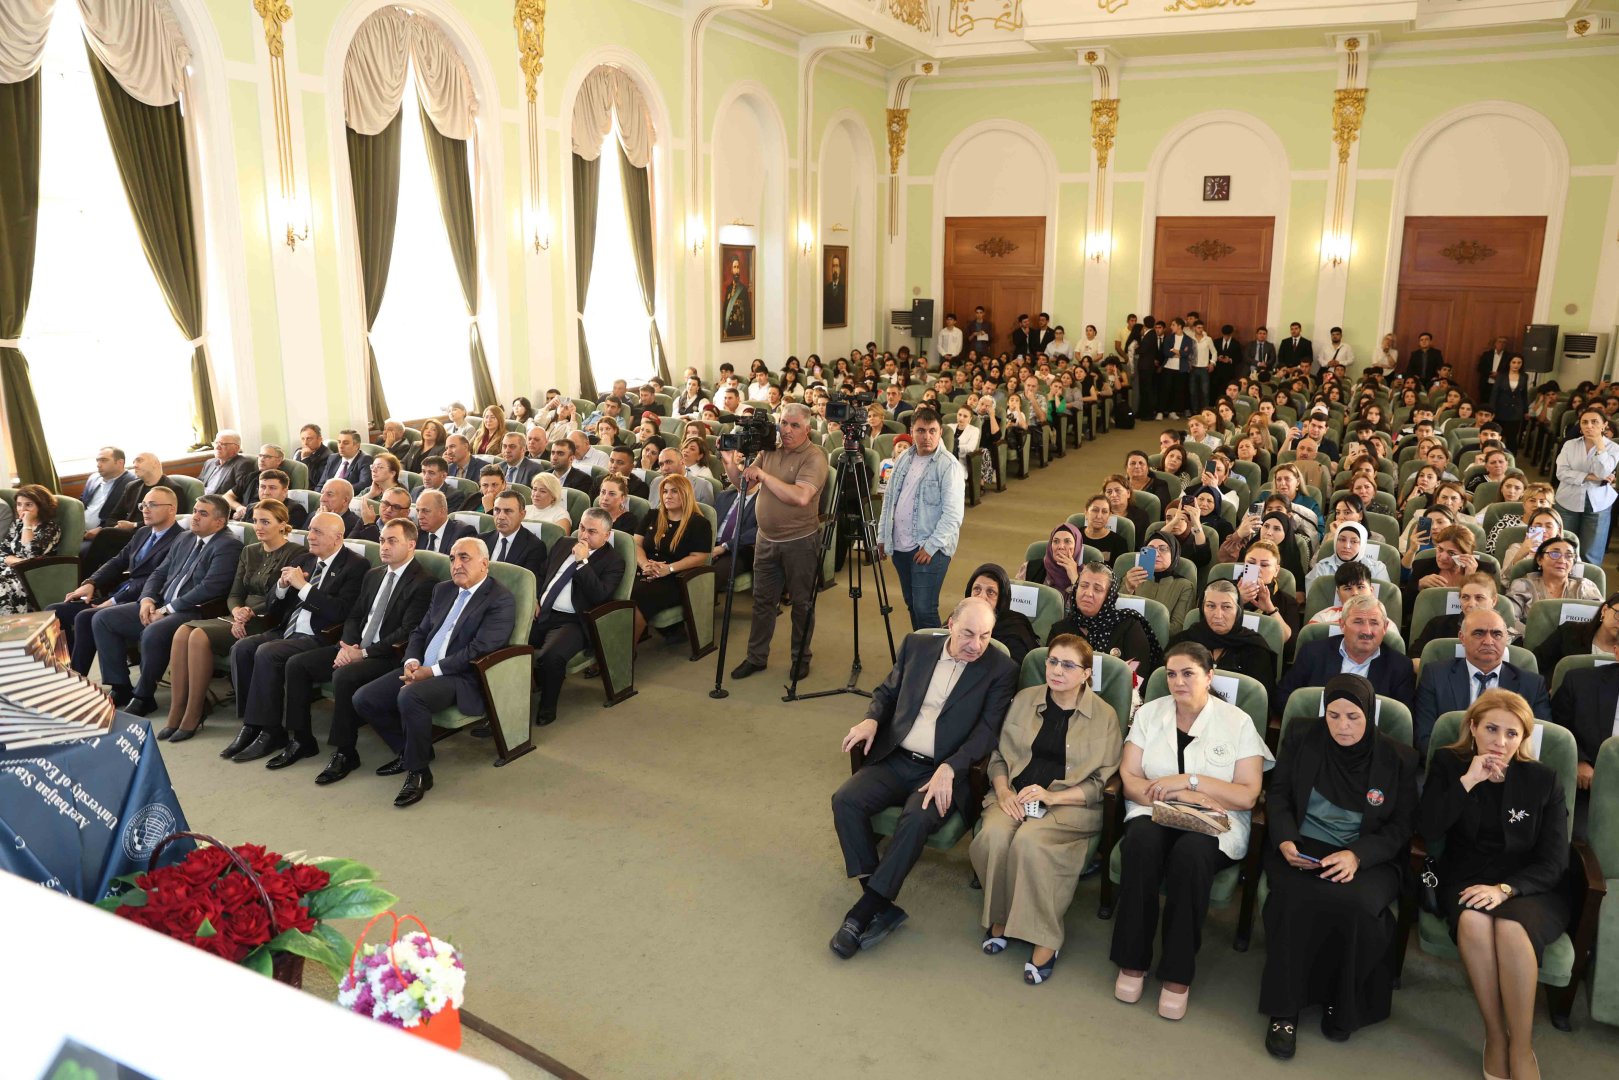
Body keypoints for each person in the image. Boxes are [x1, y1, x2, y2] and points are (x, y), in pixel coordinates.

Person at [829, 598, 1017, 958]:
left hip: (943, 770)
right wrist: (871, 719)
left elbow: (988, 731)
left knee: (916, 818)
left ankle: (862, 912)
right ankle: (879, 898)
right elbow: (887, 692)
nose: (976, 645)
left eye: (985, 636)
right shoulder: (916, 645)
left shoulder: (1001, 669)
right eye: (967, 634)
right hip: (896, 757)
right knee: (845, 801)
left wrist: (951, 767)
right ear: (950, 624)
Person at [1111, 641, 1273, 1020]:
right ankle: (1132, 960)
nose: (1178, 682)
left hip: (1214, 823)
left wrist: (1191, 783)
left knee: (1190, 858)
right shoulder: (1151, 713)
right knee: (1140, 847)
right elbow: (1130, 778)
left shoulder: (1237, 722)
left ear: (1209, 676)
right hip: (1154, 811)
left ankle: (1176, 973)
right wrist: (1168, 799)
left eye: (1188, 673)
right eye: (1171, 674)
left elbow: (1247, 795)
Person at [1259, 675, 1419, 1059]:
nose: (1342, 726)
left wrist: (1357, 856)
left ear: (1369, 714)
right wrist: (1284, 840)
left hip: (1367, 854)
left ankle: (1340, 1002)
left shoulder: (1398, 758)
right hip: (1301, 845)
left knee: (1358, 907)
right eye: (1333, 715)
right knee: (1295, 897)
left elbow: (1400, 828)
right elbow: (1278, 795)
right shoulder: (1301, 736)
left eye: (1353, 716)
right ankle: (1285, 1010)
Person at [1419, 691, 1569, 1080]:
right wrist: (1467, 781)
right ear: (1472, 727)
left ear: (1523, 739)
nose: (1500, 742)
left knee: (1512, 929)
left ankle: (1520, 1045)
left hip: (1527, 885)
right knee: (1472, 922)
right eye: (1490, 729)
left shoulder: (1542, 780)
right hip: (1465, 877)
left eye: (1511, 734)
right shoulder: (1450, 763)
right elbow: (1428, 828)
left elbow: (1554, 861)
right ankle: (1494, 1036)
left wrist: (1506, 889)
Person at [970, 634, 1123, 984]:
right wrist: (1004, 790)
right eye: (1052, 661)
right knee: (993, 835)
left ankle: (1045, 936)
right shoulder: (1024, 700)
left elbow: (1101, 783)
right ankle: (1001, 917)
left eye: (1068, 665)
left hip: (1067, 805)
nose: (1056, 670)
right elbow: (998, 757)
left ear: (1087, 674)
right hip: (1014, 795)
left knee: (1030, 843)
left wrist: (1054, 798)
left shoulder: (1105, 716)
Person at [350, 537, 517, 807]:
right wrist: (411, 661)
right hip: (422, 668)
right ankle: (410, 752)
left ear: (484, 564)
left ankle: (418, 773)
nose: (456, 564)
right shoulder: (443, 590)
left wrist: (432, 671)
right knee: (364, 698)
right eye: (452, 558)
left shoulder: (499, 599)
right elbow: (420, 631)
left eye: (465, 557)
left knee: (410, 697)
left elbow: (478, 650)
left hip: (462, 677)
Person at [278, 519, 436, 784]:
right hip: (355, 648)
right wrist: (348, 645)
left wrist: (361, 654)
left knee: (345, 676)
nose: (384, 546)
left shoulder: (424, 582)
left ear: (411, 544)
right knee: (297, 664)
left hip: (387, 656)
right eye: (382, 540)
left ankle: (345, 751)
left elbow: (407, 632)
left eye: (392, 541)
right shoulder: (374, 575)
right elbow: (354, 616)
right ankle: (302, 739)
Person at [218, 511, 369, 764]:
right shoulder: (307, 560)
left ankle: (271, 731)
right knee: (242, 648)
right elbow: (273, 607)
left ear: (338, 537)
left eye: (318, 532)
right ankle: (252, 724)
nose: (310, 536)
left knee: (268, 653)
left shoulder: (355, 566)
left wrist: (305, 587)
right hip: (287, 629)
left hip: (321, 636)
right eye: (310, 530)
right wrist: (282, 587)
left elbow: (340, 612)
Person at [156, 499, 302, 743]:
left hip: (265, 618)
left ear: (282, 524)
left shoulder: (295, 553)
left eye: (266, 522)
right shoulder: (249, 551)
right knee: (183, 632)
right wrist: (236, 612)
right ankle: (177, 710)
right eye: (255, 521)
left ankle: (193, 713)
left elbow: (282, 598)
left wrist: (248, 614)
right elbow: (234, 594)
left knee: (198, 635)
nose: (259, 527)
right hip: (237, 615)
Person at [90, 495, 244, 715]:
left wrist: (167, 610)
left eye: (203, 513)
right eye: (195, 510)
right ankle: (121, 686)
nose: (195, 517)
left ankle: (144, 695)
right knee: (103, 618)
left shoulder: (229, 545)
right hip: (162, 603)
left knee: (154, 631)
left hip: (193, 612)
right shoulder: (185, 538)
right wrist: (147, 599)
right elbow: (159, 572)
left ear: (219, 523)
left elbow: (210, 588)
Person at [726, 405, 829, 682]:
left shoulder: (814, 457)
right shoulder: (768, 449)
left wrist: (764, 476)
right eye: (783, 422)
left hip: (800, 541)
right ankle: (756, 657)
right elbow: (743, 484)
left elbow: (800, 497)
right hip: (766, 540)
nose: (786, 429)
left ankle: (800, 658)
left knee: (801, 603)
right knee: (762, 602)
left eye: (794, 425)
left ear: (807, 429)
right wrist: (728, 462)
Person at [50, 486, 182, 676]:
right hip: (121, 592)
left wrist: (113, 601)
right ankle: (63, 669)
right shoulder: (144, 532)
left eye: (152, 505)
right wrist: (91, 582)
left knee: (85, 616)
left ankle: (76, 678)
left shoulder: (179, 539)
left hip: (145, 600)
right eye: (143, 504)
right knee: (55, 612)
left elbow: (154, 579)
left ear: (171, 509)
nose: (145, 509)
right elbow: (118, 561)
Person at [528, 508, 625, 727]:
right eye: (582, 528)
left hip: (573, 621)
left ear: (606, 535)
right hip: (540, 612)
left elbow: (600, 594)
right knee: (504, 644)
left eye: (592, 531)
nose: (583, 535)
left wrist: (582, 563)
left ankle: (547, 706)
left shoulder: (613, 561)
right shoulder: (563, 544)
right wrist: (534, 597)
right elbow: (542, 573)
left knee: (551, 656)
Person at [1413, 607, 1550, 755]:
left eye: (1496, 634)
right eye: (1479, 633)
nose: (1488, 641)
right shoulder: (1436, 675)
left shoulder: (1532, 684)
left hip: (1508, 771)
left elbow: (1536, 743)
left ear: (1506, 639)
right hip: (1451, 769)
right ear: (1462, 637)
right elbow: (1425, 738)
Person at [876, 408, 964, 631]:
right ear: (911, 431)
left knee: (925, 608)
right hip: (900, 546)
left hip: (929, 548)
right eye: (921, 431)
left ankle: (934, 659)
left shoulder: (948, 465)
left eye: (932, 431)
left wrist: (931, 546)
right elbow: (890, 499)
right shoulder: (905, 457)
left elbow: (953, 515)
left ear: (941, 431)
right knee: (913, 605)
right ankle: (921, 650)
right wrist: (883, 535)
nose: (927, 436)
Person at [1277, 595, 1416, 709]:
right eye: (1358, 622)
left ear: (1385, 628)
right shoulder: (1313, 652)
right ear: (1342, 625)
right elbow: (1283, 698)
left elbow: (1400, 722)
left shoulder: (1400, 667)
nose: (1366, 631)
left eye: (1374, 623)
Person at [631, 474, 713, 646]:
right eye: (665, 491)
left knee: (639, 593)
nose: (668, 496)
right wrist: (645, 563)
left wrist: (668, 569)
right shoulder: (653, 515)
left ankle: (624, 651)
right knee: (618, 586)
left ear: (686, 494)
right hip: (645, 568)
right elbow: (636, 544)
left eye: (674, 491)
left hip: (676, 578)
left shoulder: (699, 523)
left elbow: (699, 557)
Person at [1169, 580, 1276, 700]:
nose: (1218, 615)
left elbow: (1260, 702)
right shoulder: (1182, 642)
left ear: (1238, 611)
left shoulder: (1255, 648)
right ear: (1202, 609)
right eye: (1210, 606)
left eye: (1226, 607)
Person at [1062, 561, 1163, 676]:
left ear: (1109, 596)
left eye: (1098, 589)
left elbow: (1138, 676)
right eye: (1083, 586)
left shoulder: (1129, 627)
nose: (1088, 593)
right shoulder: (1061, 628)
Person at [1554, 406, 1619, 560]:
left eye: (1595, 422)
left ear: (1604, 425)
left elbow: (1603, 472)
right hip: (1567, 499)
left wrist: (1599, 445)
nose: (1589, 425)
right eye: (1585, 422)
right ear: (1580, 426)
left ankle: (1587, 583)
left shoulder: (1614, 447)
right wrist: (1590, 477)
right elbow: (1561, 473)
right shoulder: (1570, 445)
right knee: (1564, 546)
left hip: (1598, 502)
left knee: (1591, 552)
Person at [1505, 534, 1602, 625]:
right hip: (1528, 640)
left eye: (1569, 556)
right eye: (1555, 554)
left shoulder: (1584, 587)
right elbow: (1510, 620)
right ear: (1540, 560)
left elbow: (1601, 619)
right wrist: (1531, 636)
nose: (1562, 560)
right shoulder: (1523, 585)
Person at [0, 484, 60, 614]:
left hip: (30, 578)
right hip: (9, 572)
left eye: (29, 505)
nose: (23, 509)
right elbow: (2, 553)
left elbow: (30, 558)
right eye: (19, 504)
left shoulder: (50, 529)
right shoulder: (17, 524)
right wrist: (15, 560)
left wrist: (27, 524)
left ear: (41, 506)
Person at [1413, 572, 1501, 660]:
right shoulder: (1437, 625)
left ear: (1493, 601)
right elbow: (1414, 658)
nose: (1471, 604)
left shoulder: (1503, 632)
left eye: (1479, 598)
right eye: (1465, 597)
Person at [964, 563, 1039, 666]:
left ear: (1001, 599)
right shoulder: (959, 617)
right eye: (977, 589)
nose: (981, 597)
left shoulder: (1015, 630)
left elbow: (1015, 672)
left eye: (990, 592)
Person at [1120, 533, 1194, 630]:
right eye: (1150, 549)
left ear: (1173, 554)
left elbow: (1177, 628)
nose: (1156, 554)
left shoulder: (1185, 586)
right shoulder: (1132, 577)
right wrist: (1128, 588)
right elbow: (1115, 614)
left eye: (1163, 549)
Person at [1305, 522, 1390, 592]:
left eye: (1354, 541)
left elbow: (1383, 601)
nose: (1346, 546)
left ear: (1363, 545)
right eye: (1342, 540)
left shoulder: (1377, 569)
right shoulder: (1321, 569)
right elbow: (1313, 601)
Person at [78, 447, 136, 538]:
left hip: (104, 533)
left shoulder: (132, 483)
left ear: (120, 463)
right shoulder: (93, 478)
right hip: (79, 529)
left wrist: (102, 529)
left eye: (103, 460)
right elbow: (81, 502)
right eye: (97, 461)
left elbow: (128, 515)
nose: (98, 465)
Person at [710, 481, 757, 586]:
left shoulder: (764, 501)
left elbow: (758, 532)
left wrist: (725, 547)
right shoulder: (723, 496)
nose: (742, 479)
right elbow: (708, 523)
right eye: (738, 475)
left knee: (711, 576)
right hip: (713, 544)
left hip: (740, 549)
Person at [1306, 560, 1376, 627]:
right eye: (1348, 588)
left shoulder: (1381, 620)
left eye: (1360, 587)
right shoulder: (1321, 620)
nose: (1355, 593)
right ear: (1338, 594)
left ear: (1371, 590)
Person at [198, 430, 257, 499]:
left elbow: (239, 492)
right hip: (201, 499)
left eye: (223, 444)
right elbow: (198, 483)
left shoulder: (242, 464)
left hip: (218, 502)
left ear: (236, 448)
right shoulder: (209, 462)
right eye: (216, 443)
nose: (217, 447)